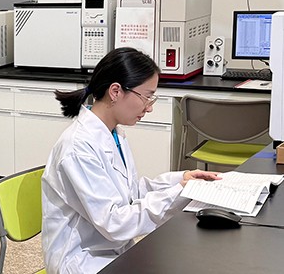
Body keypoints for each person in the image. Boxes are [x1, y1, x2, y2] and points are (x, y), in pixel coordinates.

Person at [41, 47, 220, 273]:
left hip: (111, 250)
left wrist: (181, 180)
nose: (150, 107)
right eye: (146, 97)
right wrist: (178, 193)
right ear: (115, 91)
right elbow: (114, 223)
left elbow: (130, 193)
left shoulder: (114, 133)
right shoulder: (78, 148)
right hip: (82, 260)